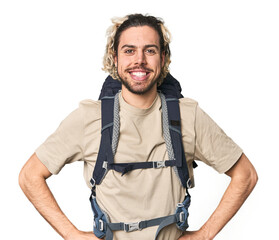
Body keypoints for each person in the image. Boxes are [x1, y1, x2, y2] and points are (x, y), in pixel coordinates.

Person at [19, 14, 258, 240]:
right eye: (129, 50)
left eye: (150, 51)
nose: (139, 60)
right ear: (115, 58)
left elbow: (245, 175)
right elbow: (30, 176)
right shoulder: (89, 118)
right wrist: (71, 235)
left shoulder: (188, 115)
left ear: (163, 58)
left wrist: (205, 234)